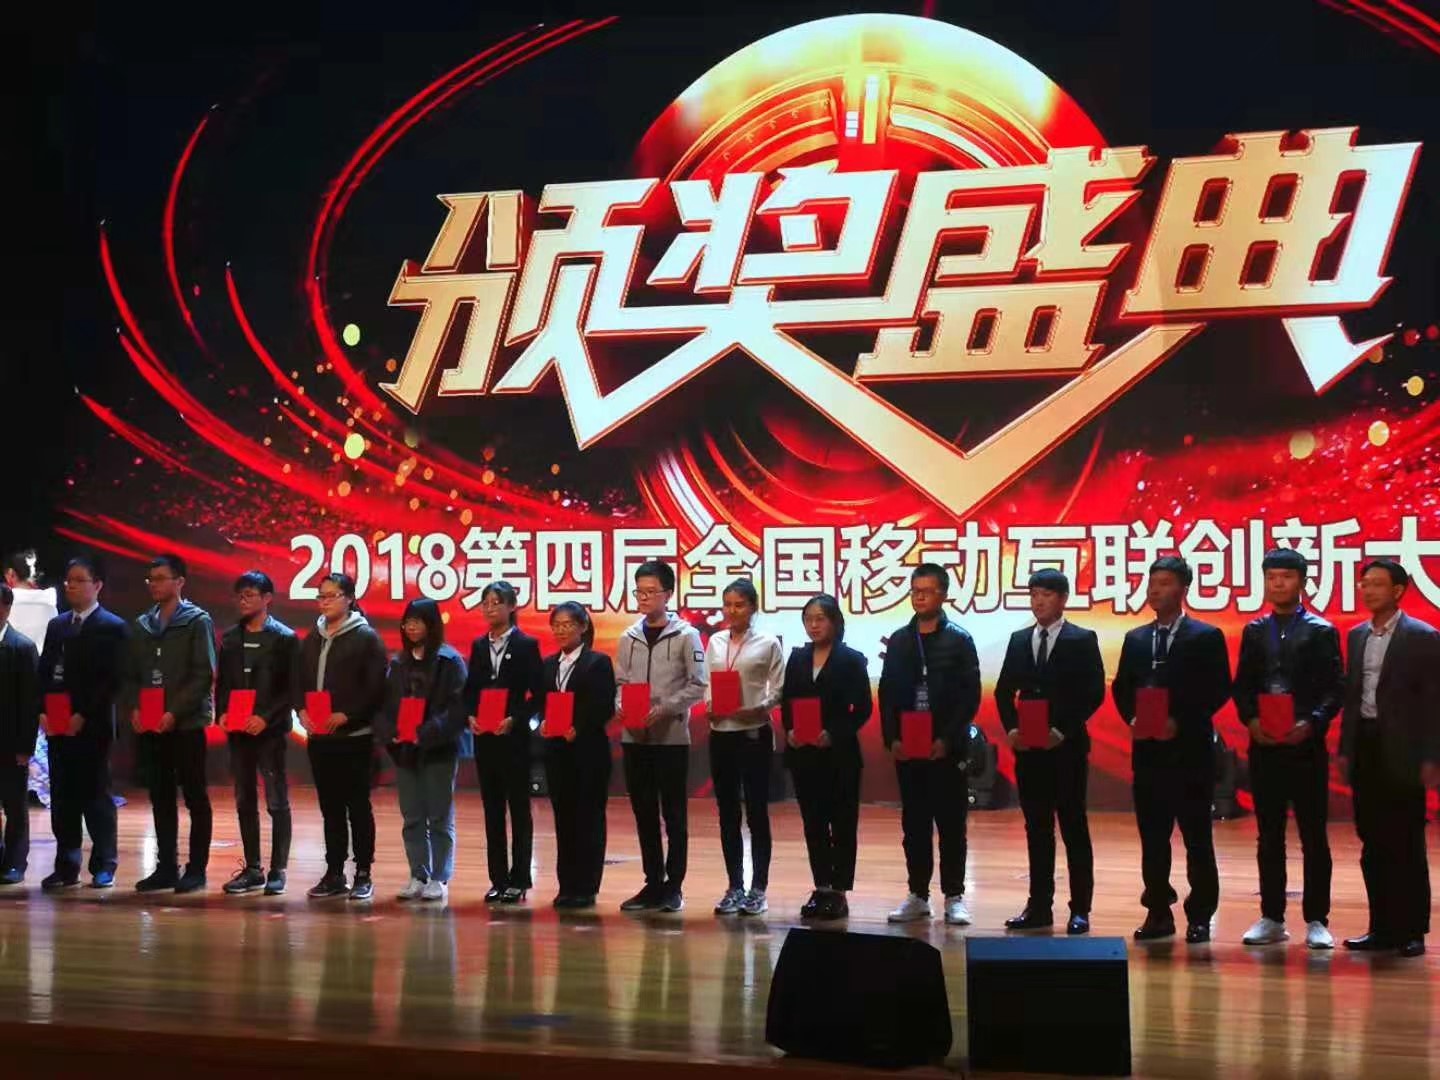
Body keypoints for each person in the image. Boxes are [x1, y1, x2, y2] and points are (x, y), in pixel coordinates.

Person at [1112, 556, 1232, 943]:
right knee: (1153, 837)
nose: (1155, 590)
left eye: (1164, 583)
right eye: (1151, 583)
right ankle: (1158, 911)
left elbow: (1217, 689)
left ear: (1183, 589)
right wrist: (1133, 717)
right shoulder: (1136, 639)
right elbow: (1122, 688)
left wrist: (1180, 720)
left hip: (1190, 752)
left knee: (1197, 838)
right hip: (1149, 753)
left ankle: (1200, 914)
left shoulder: (1205, 636)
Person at [1232, 547, 1344, 949]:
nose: (1278, 584)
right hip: (1265, 746)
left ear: (1302, 582)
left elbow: (1335, 689)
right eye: (1271, 577)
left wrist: (1311, 723)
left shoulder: (1321, 630)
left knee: (1313, 835)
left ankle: (1317, 919)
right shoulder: (1254, 630)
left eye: (1286, 577)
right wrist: (1251, 720)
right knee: (1269, 835)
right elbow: (1243, 685)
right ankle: (1272, 917)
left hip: (1305, 747)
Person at [1337, 559, 1440, 958]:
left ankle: (1412, 930)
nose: (1368, 591)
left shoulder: (1423, 636)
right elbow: (1352, 698)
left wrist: (1431, 757)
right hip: (1365, 745)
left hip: (1404, 750)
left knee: (1406, 841)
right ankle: (1381, 927)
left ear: (1398, 591)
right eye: (1364, 584)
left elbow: (1433, 703)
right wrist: (1345, 749)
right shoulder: (1357, 636)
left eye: (1377, 584)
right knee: (1372, 840)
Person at [996, 569, 1106, 935]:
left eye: (1046, 594)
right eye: (1034, 595)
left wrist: (1061, 730)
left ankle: (1080, 909)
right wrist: (1011, 728)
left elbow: (1093, 692)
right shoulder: (1019, 639)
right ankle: (1039, 906)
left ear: (1063, 599)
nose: (1038, 601)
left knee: (1073, 826)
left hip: (1066, 747)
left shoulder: (1082, 639)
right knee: (1037, 828)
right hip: (1029, 750)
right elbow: (1003, 691)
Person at [878, 563, 981, 926]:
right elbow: (887, 693)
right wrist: (892, 737)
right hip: (909, 747)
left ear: (944, 594)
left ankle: (954, 896)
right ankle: (918, 895)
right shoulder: (900, 640)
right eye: (915, 590)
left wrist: (947, 739)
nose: (919, 597)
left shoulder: (959, 640)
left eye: (927, 591)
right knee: (914, 824)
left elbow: (969, 697)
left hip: (946, 748)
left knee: (951, 824)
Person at [614, 559, 706, 914]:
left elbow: (698, 684)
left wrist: (666, 708)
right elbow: (621, 683)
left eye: (651, 592)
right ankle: (652, 882)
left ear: (668, 594)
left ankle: (674, 885)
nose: (644, 598)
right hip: (635, 737)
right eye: (639, 591)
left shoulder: (686, 636)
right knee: (644, 812)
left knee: (674, 814)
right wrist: (622, 706)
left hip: (670, 737)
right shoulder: (628, 637)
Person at [122, 554, 217, 894]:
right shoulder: (142, 625)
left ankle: (197, 869)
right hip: (151, 725)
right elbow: (130, 674)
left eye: (161, 578)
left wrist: (174, 712)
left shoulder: (197, 621)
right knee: (160, 797)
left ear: (180, 582)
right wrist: (134, 708)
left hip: (186, 724)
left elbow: (203, 674)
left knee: (194, 797)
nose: (154, 584)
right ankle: (166, 867)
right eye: (151, 579)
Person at [37, 556, 127, 889]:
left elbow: (111, 681)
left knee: (95, 795)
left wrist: (83, 715)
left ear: (97, 585)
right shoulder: (57, 625)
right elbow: (45, 672)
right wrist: (41, 711)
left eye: (78, 580)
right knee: (62, 797)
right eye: (68, 580)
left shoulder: (112, 627)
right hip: (57, 723)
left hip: (93, 727)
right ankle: (66, 865)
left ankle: (104, 864)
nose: (70, 585)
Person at [781, 593, 873, 920]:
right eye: (808, 619)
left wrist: (833, 733)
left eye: (820, 618)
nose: (814, 625)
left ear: (835, 622)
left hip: (840, 755)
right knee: (814, 823)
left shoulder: (851, 659)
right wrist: (790, 730)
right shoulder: (797, 658)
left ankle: (839, 890)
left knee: (842, 823)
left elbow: (862, 708)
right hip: (804, 755)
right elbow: (787, 701)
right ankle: (821, 886)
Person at [298, 572, 388, 902]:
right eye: (321, 596)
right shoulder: (313, 636)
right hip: (320, 736)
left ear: (349, 598)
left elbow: (376, 687)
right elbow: (298, 680)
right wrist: (300, 710)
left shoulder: (366, 637)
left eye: (331, 595)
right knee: (330, 807)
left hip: (354, 736)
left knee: (357, 807)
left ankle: (363, 872)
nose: (324, 601)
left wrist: (348, 714)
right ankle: (334, 872)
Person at [378, 598, 468, 903]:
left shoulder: (449, 661)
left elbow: (457, 709)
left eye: (418, 621)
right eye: (408, 622)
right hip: (405, 750)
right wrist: (392, 733)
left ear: (432, 625)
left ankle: (440, 877)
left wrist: (426, 732)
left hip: (437, 749)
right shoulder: (398, 663)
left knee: (439, 816)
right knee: (412, 816)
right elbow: (385, 705)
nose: (411, 627)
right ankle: (418, 874)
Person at [704, 578, 784, 917]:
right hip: (721, 733)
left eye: (739, 605)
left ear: (753, 608)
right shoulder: (715, 641)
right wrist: (709, 704)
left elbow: (779, 688)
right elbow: (707, 682)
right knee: (727, 813)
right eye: (728, 605)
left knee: (756, 812)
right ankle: (734, 886)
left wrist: (759, 709)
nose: (732, 611)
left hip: (753, 734)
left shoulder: (768, 643)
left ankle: (758, 889)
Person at [217, 571, 300, 897]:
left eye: (250, 595)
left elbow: (291, 689)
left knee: (277, 799)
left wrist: (265, 718)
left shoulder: (284, 638)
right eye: (239, 595)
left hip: (270, 731)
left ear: (267, 598)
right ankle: (253, 869)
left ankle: (278, 870)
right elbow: (223, 684)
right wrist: (223, 712)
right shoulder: (230, 638)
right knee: (244, 798)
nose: (243, 601)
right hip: (238, 731)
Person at [464, 580, 542, 904]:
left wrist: (515, 718)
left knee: (519, 810)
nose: (490, 608)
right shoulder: (479, 646)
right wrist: (470, 715)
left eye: (497, 602)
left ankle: (520, 879)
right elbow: (470, 690)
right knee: (492, 810)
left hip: (514, 739)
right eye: (485, 602)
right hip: (486, 739)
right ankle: (497, 879)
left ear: (512, 606)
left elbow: (538, 694)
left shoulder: (526, 645)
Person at [538, 602, 616, 909]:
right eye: (556, 625)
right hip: (557, 752)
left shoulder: (598, 662)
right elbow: (541, 704)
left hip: (589, 752)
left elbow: (603, 705)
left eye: (568, 624)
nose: (561, 630)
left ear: (583, 627)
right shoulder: (548, 665)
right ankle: (567, 884)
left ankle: (586, 886)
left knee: (589, 818)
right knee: (564, 818)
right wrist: (542, 722)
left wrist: (579, 728)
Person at [6, 550, 57, 809]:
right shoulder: (49, 603)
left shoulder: (7, 601)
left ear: (11, 575)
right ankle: (43, 787)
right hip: (43, 677)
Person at [0, 584, 40, 885]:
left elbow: (30, 702)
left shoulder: (22, 647)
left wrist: (25, 747)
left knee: (14, 805)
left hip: (10, 742)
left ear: (6, 608)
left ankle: (15, 862)